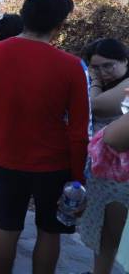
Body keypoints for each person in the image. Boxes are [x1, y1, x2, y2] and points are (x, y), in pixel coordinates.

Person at [0, 0, 90, 274]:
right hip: (54, 164)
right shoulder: (72, 67)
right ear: (59, 25)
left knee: (6, 226)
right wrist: (78, 177)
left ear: (24, 15)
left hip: (6, 157)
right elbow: (79, 132)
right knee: (50, 230)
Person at [79, 39, 129, 274]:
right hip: (104, 172)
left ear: (125, 61)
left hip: (120, 176)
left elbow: (96, 105)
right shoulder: (113, 83)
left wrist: (95, 82)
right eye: (96, 67)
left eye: (108, 65)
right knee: (103, 230)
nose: (102, 72)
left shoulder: (126, 84)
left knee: (113, 231)